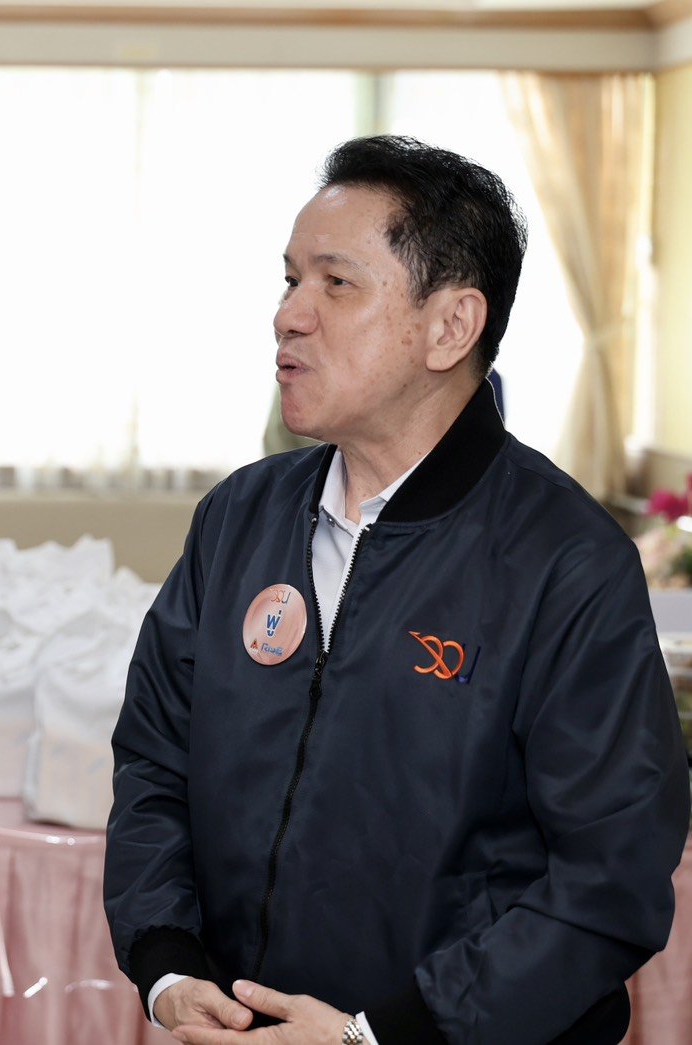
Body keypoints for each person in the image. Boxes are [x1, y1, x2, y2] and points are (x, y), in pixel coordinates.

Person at [104, 135, 689, 1045]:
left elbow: (607, 881)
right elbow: (153, 762)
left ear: (450, 326)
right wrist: (169, 964)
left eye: (335, 283)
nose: (287, 316)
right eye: (288, 279)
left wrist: (376, 1035)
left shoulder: (564, 562)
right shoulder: (238, 519)